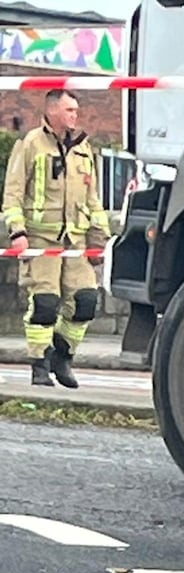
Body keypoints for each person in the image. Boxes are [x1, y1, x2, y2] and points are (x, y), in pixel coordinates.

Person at [2, 89, 111, 388]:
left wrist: (98, 240)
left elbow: (93, 199)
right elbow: (12, 194)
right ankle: (39, 364)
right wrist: (18, 233)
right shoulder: (30, 145)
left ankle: (62, 354)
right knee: (45, 303)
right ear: (51, 111)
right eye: (69, 110)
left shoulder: (83, 148)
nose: (75, 115)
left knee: (86, 301)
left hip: (74, 241)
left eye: (76, 110)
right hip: (40, 241)